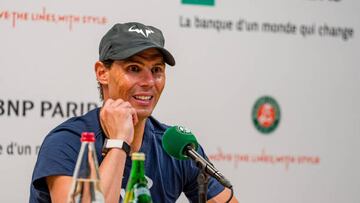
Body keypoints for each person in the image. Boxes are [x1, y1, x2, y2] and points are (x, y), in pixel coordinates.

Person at [30, 22, 238, 203]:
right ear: (102, 73)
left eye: (156, 70)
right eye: (134, 68)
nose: (148, 82)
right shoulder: (68, 141)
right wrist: (119, 142)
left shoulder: (175, 145)